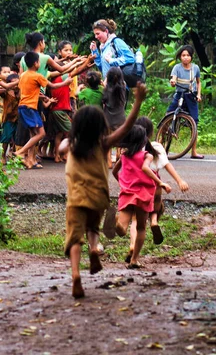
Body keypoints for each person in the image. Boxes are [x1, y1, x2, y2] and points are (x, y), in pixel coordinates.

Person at [60, 82, 148, 299]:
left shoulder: (72, 144)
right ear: (101, 125)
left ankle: (75, 276)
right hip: (98, 197)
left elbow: (61, 148)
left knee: (74, 237)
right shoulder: (104, 143)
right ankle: (94, 247)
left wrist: (72, 137)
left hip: (76, 198)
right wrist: (137, 102)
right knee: (92, 228)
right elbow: (126, 127)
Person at [119, 116, 189, 262]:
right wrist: (179, 180)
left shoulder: (130, 150)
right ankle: (154, 222)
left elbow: (118, 170)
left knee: (134, 220)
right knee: (154, 209)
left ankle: (132, 244)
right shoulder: (156, 147)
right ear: (150, 133)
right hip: (153, 187)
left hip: (134, 188)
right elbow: (167, 165)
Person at [112, 125, 172, 269]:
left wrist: (123, 183)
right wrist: (160, 182)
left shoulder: (124, 156)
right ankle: (134, 260)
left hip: (127, 193)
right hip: (144, 195)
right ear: (143, 141)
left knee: (123, 228)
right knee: (140, 228)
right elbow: (145, 168)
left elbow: (114, 172)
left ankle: (117, 222)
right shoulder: (147, 155)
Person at [15, 51, 73, 168]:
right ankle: (20, 153)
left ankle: (30, 161)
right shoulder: (37, 76)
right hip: (30, 107)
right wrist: (66, 82)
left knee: (33, 134)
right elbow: (52, 86)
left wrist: (44, 97)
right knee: (41, 133)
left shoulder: (22, 75)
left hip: (23, 106)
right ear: (36, 63)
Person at [167, 44, 203, 159]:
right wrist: (173, 81)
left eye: (188, 55)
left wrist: (198, 94)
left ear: (191, 57)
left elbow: (198, 82)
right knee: (168, 116)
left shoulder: (195, 68)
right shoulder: (177, 68)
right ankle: (162, 146)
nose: (185, 57)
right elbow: (173, 78)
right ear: (180, 57)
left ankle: (194, 151)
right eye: (183, 55)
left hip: (190, 97)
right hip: (179, 95)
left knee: (194, 122)